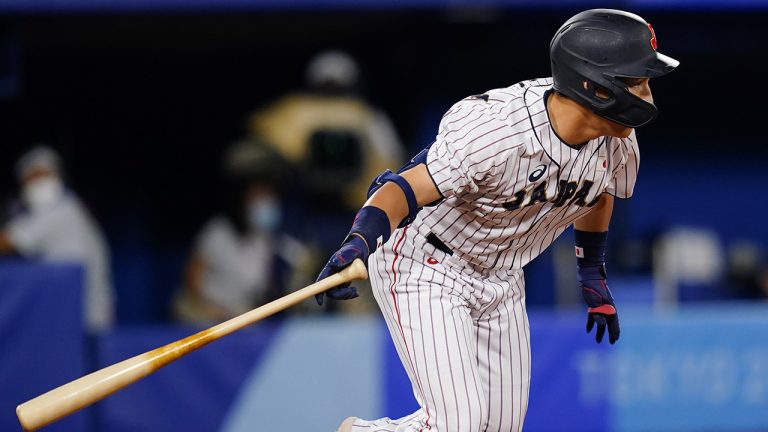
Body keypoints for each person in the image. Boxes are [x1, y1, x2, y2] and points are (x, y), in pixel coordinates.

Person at [316, 10, 679, 432]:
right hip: (428, 264)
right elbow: (402, 188)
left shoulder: (618, 143)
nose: (648, 92)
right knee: (460, 424)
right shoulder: (499, 132)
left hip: (502, 276)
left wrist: (591, 272)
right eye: (637, 80)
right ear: (595, 86)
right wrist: (360, 239)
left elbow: (598, 192)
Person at [173, 140, 312, 324]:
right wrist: (212, 312)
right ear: (242, 200)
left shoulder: (266, 237)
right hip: (210, 319)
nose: (265, 202)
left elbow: (268, 286)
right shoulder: (217, 232)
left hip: (243, 317)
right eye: (258, 196)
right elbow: (191, 282)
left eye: (268, 195)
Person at [248, 50, 404, 211]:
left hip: (355, 208)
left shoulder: (369, 117)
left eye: (337, 88)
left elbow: (391, 163)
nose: (332, 96)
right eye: (327, 87)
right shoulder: (297, 111)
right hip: (304, 205)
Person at [0, 146, 114, 332]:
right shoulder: (70, 207)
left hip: (83, 322)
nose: (38, 182)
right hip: (77, 317)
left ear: (56, 176)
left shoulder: (62, 211)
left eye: (43, 175)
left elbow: (7, 242)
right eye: (32, 178)